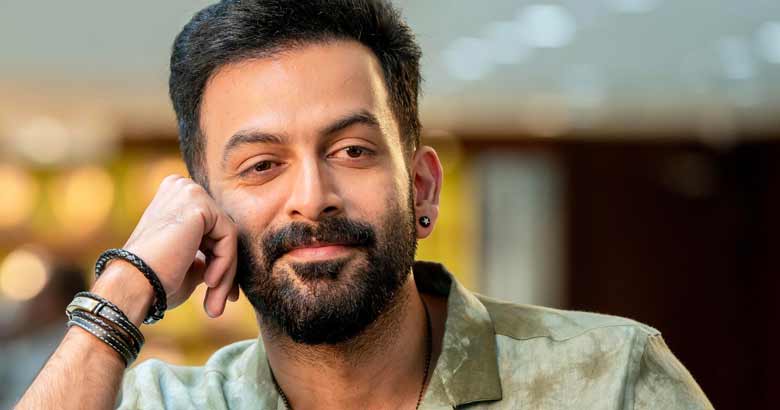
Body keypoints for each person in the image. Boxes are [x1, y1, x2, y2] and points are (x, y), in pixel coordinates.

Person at [16, 1, 713, 409]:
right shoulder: (169, 404)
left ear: (422, 187)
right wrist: (125, 284)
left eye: (351, 150)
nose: (312, 197)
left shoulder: (609, 379)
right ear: (205, 212)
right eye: (262, 165)